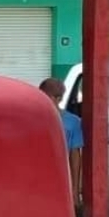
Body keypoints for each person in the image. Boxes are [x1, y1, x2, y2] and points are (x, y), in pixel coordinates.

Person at [39, 77, 83, 207]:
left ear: (59, 99)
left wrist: (75, 190)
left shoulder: (73, 122)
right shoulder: (31, 118)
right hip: (38, 179)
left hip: (60, 181)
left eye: (55, 97)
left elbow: (75, 156)